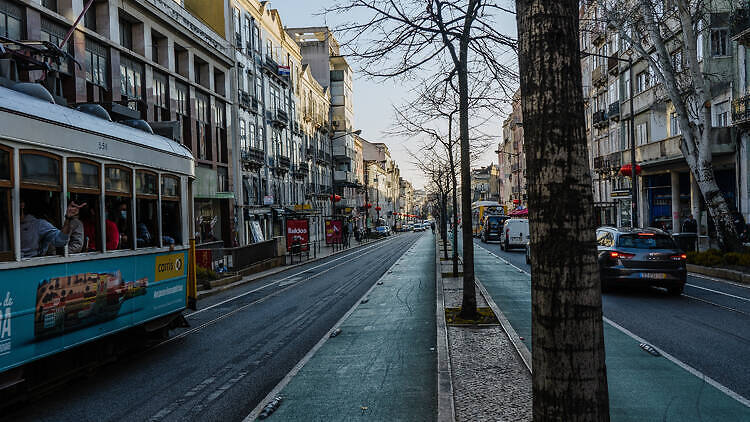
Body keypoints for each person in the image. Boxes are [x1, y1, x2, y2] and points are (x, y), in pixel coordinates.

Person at [20, 198, 86, 258]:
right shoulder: (50, 220)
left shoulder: (39, 224)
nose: (55, 208)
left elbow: (62, 241)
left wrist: (60, 255)